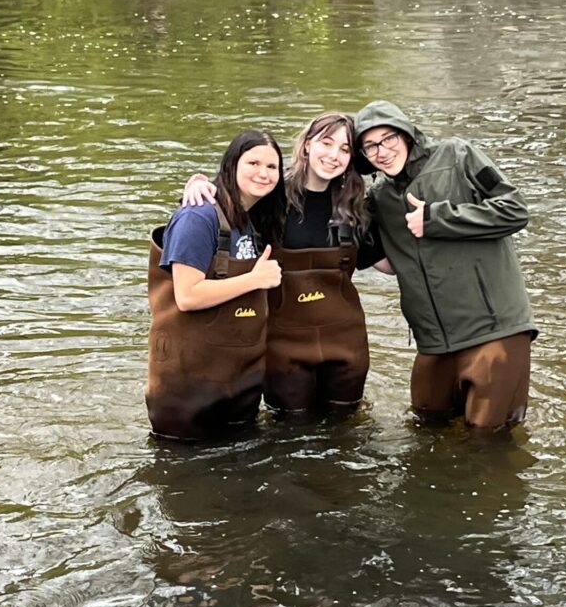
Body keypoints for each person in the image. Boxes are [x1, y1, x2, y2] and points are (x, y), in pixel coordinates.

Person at [183, 112, 390, 416]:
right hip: (283, 348)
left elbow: (390, 265)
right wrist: (200, 187)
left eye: (345, 149)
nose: (334, 155)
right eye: (326, 142)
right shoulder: (270, 195)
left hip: (346, 346)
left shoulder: (357, 206)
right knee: (288, 435)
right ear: (307, 145)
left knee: (347, 432)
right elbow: (227, 206)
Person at [354, 100, 537, 431]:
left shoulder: (458, 155)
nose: (382, 151)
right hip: (434, 342)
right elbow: (381, 260)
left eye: (389, 138)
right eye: (370, 146)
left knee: (488, 443)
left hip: (494, 330)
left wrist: (437, 218)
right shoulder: (379, 198)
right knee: (425, 428)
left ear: (407, 135)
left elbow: (515, 210)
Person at [146, 129, 286, 440]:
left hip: (235, 382)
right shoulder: (198, 216)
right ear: (232, 164)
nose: (263, 173)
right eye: (253, 163)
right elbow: (187, 295)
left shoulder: (252, 219)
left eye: (272, 167)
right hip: (188, 388)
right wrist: (254, 280)